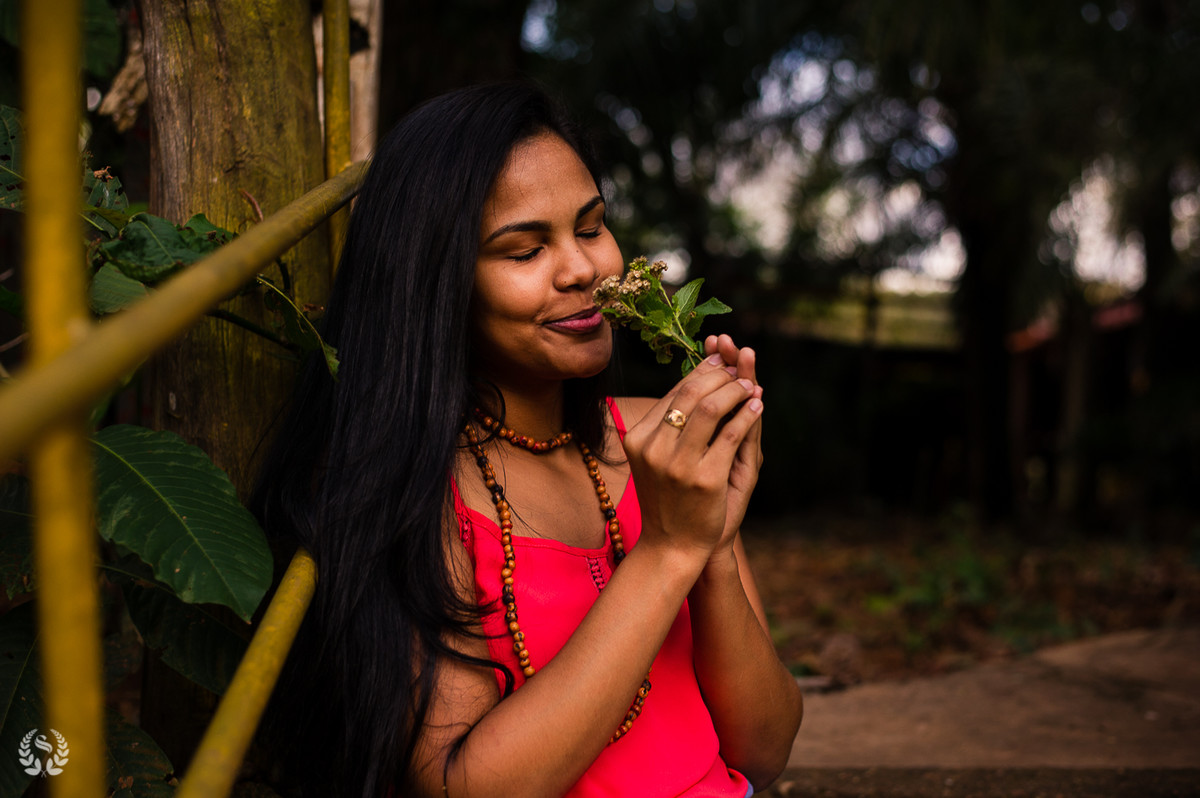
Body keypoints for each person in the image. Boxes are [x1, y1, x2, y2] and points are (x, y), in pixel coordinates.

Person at [253, 82, 803, 798]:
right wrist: (667, 551)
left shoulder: (656, 440)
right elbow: (468, 788)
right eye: (524, 250)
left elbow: (764, 749)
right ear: (438, 283)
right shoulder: (420, 491)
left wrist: (715, 545)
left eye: (592, 225)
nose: (582, 270)